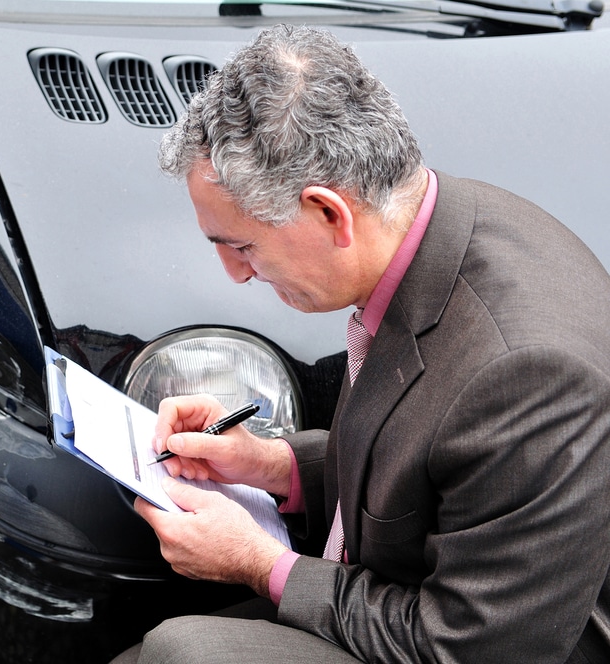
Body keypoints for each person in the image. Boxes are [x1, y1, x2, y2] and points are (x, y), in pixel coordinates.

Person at [113, 24, 610, 663]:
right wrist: (274, 467)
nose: (235, 274)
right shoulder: (432, 227)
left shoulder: (527, 374)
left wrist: (259, 563)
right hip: (400, 605)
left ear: (329, 213)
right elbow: (428, 475)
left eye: (242, 246)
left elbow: (471, 648)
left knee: (178, 653)